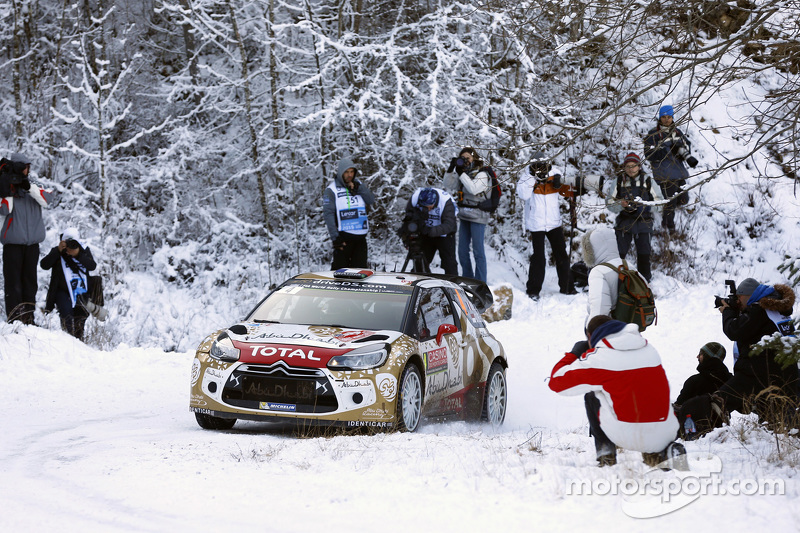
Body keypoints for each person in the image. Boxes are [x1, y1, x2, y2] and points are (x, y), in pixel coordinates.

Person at [549, 316, 683, 467]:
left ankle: (605, 453)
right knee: (645, 389)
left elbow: (556, 382)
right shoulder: (650, 350)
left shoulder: (600, 358)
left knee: (593, 394)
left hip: (626, 434)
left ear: (590, 336)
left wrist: (574, 353)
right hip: (665, 432)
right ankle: (662, 453)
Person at [716, 278, 798, 419]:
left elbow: (734, 331)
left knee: (719, 401)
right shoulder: (777, 309)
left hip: (758, 372)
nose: (738, 301)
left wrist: (728, 312)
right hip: (784, 373)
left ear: (748, 296)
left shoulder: (759, 310)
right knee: (777, 419)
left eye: (739, 298)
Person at [0, 152, 54, 324]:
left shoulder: (34, 184)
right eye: (23, 167)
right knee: (13, 284)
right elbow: (4, 210)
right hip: (13, 244)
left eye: (28, 167)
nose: (26, 170)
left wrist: (28, 186)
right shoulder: (5, 185)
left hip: (32, 244)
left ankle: (28, 318)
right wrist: (7, 185)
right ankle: (14, 319)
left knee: (30, 283)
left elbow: (48, 199)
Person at [516, 151, 574, 300]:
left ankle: (567, 287)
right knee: (539, 257)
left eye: (543, 165)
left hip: (554, 221)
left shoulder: (555, 173)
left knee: (561, 254)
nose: (540, 169)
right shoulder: (527, 176)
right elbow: (523, 194)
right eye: (537, 166)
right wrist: (532, 177)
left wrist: (559, 183)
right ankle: (533, 290)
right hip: (537, 223)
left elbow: (567, 192)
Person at [604, 153, 662, 281]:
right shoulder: (618, 182)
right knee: (618, 256)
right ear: (624, 167)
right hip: (624, 222)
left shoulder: (648, 181)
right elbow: (609, 204)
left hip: (644, 223)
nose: (631, 169)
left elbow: (660, 203)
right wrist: (621, 205)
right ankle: (616, 283)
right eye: (628, 166)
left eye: (634, 166)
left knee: (644, 256)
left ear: (639, 166)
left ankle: (644, 284)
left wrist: (646, 207)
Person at [643, 105, 697, 234]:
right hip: (665, 173)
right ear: (659, 118)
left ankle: (665, 211)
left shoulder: (677, 132)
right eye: (664, 117)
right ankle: (668, 225)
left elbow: (687, 145)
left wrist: (682, 152)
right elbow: (649, 155)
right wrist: (667, 150)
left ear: (672, 117)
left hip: (679, 172)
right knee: (671, 202)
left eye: (669, 117)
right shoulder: (653, 134)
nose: (667, 120)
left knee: (684, 199)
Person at [443, 147, 492, 282]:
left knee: (478, 252)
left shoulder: (482, 173)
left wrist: (461, 173)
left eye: (468, 158)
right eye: (462, 158)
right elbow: (448, 185)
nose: (465, 161)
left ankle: (480, 282)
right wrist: (451, 169)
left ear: (474, 159)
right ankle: (467, 279)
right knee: (462, 252)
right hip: (464, 215)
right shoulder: (464, 173)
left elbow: (474, 189)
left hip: (478, 216)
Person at [40, 228, 98, 340]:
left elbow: (92, 266)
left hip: (80, 290)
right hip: (62, 291)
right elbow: (44, 265)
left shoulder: (84, 250)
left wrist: (78, 255)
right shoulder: (58, 251)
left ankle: (78, 341)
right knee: (66, 315)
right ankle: (68, 339)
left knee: (81, 316)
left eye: (73, 242)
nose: (70, 245)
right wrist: (58, 251)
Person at [322, 157, 375, 270]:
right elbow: (328, 214)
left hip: (360, 238)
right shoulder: (331, 190)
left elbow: (370, 199)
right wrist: (335, 238)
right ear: (341, 172)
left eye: (352, 172)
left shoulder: (358, 185)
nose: (349, 175)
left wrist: (359, 188)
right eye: (346, 172)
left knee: (360, 274)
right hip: (343, 238)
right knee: (340, 274)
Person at [400, 187, 458, 275]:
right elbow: (408, 218)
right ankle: (419, 280)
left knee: (449, 263)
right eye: (425, 207)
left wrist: (430, 231)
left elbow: (449, 225)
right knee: (420, 261)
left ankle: (453, 283)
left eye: (430, 207)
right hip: (425, 232)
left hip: (445, 234)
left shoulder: (446, 201)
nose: (429, 210)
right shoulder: (415, 198)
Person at [581, 226, 623, 322]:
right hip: (633, 330)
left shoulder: (598, 273)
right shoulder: (627, 265)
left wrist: (589, 330)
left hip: (611, 331)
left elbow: (599, 313)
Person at [674, 342, 732, 407]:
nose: (697, 356)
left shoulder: (694, 381)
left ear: (707, 357)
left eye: (700, 354)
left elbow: (678, 408)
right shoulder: (730, 382)